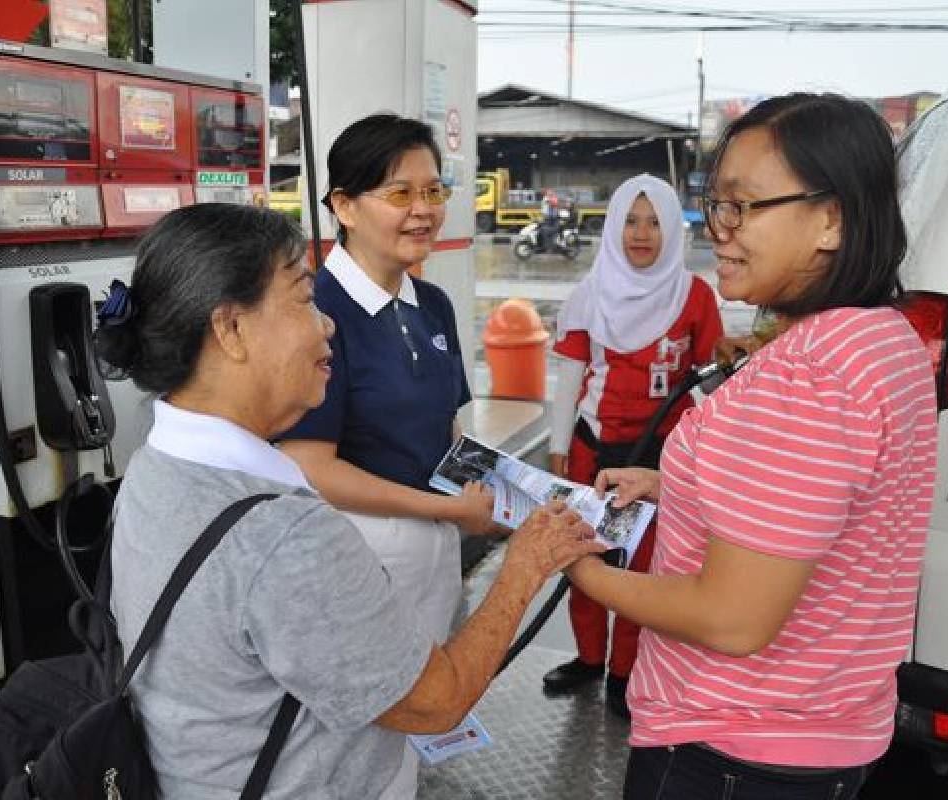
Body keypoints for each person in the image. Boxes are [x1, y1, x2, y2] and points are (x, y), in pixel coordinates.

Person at [95, 203, 603, 799]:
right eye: (304, 298)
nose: (327, 325)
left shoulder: (155, 464)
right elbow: (434, 702)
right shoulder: (285, 533)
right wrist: (526, 566)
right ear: (230, 330)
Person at [566, 93, 938, 799]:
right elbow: (830, 501)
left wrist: (575, 567)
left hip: (728, 751)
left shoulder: (808, 376)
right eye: (716, 203)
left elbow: (732, 619)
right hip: (818, 729)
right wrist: (683, 487)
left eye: (744, 205)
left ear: (831, 218)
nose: (720, 230)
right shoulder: (882, 338)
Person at [277, 115, 494, 795]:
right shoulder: (314, 311)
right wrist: (441, 507)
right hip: (354, 553)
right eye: (400, 195)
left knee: (412, 717)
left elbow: (448, 435)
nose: (424, 211)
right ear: (343, 205)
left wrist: (519, 493)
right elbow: (311, 464)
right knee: (346, 739)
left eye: (434, 191)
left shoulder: (431, 302)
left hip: (432, 546)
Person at [542, 174, 722, 719]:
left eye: (654, 222)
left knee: (647, 571)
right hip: (593, 453)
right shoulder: (587, 294)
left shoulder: (694, 295)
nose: (641, 234)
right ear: (613, 224)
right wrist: (556, 456)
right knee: (588, 560)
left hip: (664, 459)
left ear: (672, 229)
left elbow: (710, 379)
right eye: (630, 220)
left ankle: (627, 672)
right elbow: (570, 382)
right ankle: (588, 659)